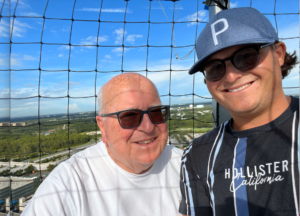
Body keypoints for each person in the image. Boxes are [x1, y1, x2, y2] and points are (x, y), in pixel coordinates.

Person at [179, 7, 299, 216]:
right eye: (215, 68)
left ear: (278, 54)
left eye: (246, 57)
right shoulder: (197, 155)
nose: (232, 76)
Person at [22, 73, 183, 216]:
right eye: (129, 116)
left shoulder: (187, 166)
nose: (148, 127)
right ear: (102, 126)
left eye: (156, 112)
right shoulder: (66, 186)